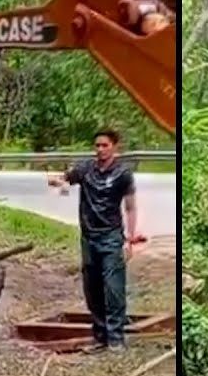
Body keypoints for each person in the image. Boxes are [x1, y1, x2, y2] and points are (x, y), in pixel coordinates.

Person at [47, 129, 145, 352]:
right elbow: (64, 180)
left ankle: (116, 337)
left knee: (113, 288)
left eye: (105, 145)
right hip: (89, 237)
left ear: (115, 147)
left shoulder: (123, 174)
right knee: (92, 288)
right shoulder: (85, 169)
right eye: (97, 146)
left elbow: (130, 207)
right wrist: (56, 182)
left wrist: (130, 238)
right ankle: (100, 335)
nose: (100, 150)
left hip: (111, 237)